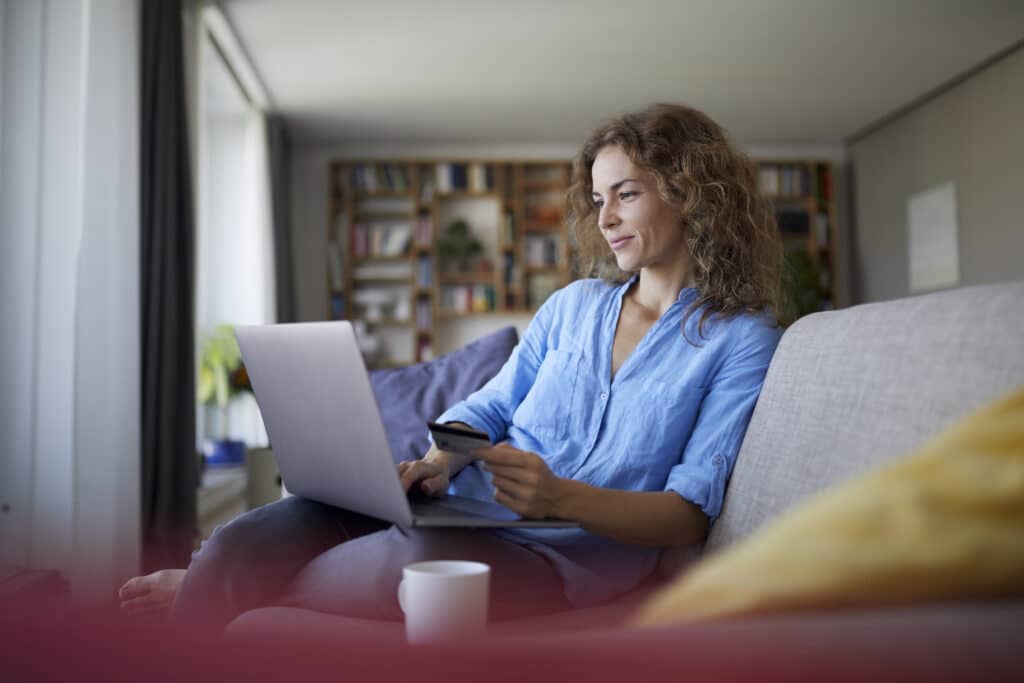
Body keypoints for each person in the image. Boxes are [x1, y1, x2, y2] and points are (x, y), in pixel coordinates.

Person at [119, 103, 785, 632]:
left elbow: (689, 514)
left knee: (411, 565)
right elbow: (489, 406)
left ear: (689, 194)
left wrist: (562, 499)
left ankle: (206, 594)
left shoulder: (739, 340)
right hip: (464, 510)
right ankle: (220, 581)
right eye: (597, 197)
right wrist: (441, 460)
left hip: (566, 562)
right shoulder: (573, 306)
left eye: (626, 194)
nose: (604, 217)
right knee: (254, 531)